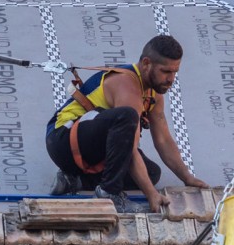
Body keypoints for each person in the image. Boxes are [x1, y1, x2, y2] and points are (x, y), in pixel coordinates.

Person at [45, 34, 207, 213]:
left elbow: (163, 140)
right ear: (146, 63)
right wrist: (151, 194)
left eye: (175, 71)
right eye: (166, 71)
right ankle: (109, 193)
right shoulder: (126, 85)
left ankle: (74, 180)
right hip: (62, 140)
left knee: (151, 173)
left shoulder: (154, 94)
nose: (171, 79)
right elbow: (130, 148)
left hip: (88, 146)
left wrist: (187, 177)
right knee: (127, 117)